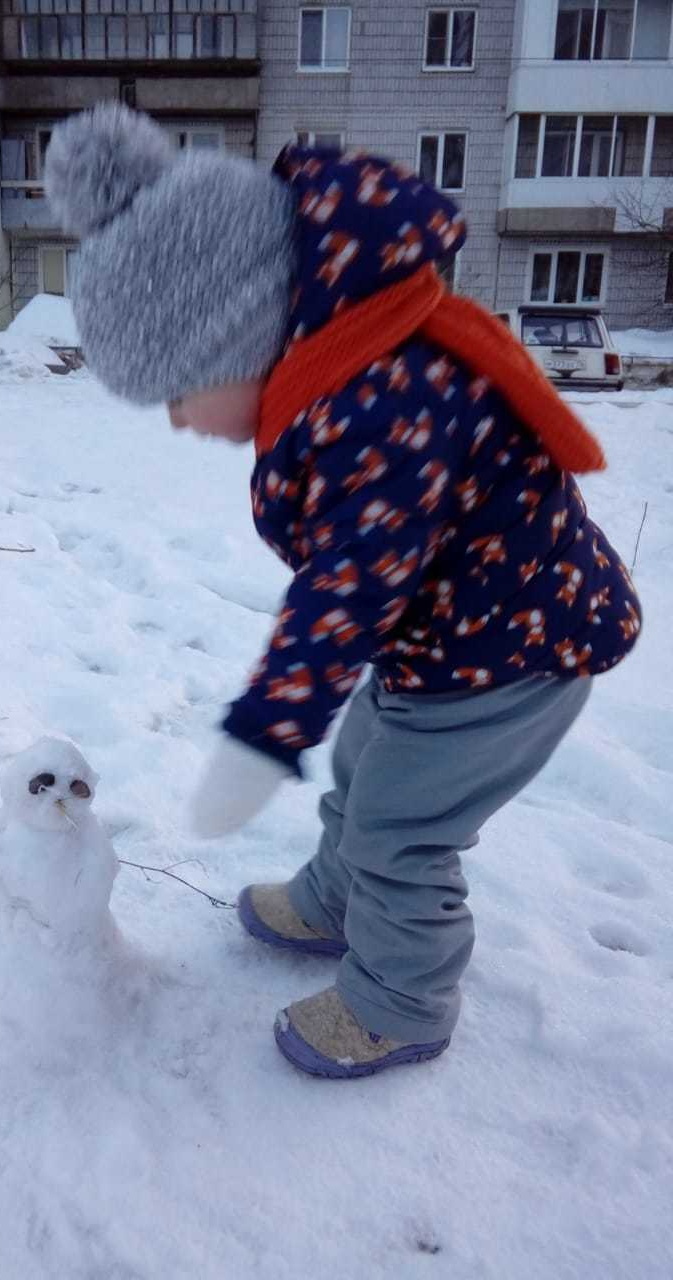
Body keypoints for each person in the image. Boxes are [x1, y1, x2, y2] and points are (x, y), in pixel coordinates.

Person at [44, 105, 642, 1080]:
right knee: (366, 760)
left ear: (235, 338)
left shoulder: (383, 398)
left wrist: (266, 729)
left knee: (403, 826)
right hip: (456, 640)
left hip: (515, 657)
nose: (183, 424)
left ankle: (403, 999)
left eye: (179, 392)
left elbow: (350, 588)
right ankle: (336, 896)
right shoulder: (345, 372)